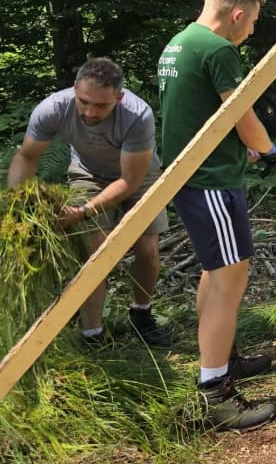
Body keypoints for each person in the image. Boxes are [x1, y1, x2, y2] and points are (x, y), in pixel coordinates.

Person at [158, 0, 276, 430]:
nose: (252, 32)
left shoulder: (180, 43)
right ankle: (214, 394)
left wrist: (239, 149)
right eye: (253, 22)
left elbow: (196, 114)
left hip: (193, 173)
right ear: (237, 14)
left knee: (213, 270)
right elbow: (242, 114)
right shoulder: (219, 50)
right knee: (231, 276)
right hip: (210, 182)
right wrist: (270, 152)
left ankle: (223, 359)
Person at [6, 57, 172, 347]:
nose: (90, 112)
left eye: (100, 106)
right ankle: (93, 335)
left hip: (139, 174)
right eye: (84, 102)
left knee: (147, 249)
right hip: (88, 174)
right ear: (74, 90)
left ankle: (141, 314)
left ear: (118, 98)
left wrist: (82, 212)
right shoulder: (54, 108)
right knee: (94, 254)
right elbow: (26, 157)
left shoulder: (137, 116)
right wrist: (20, 205)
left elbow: (129, 181)